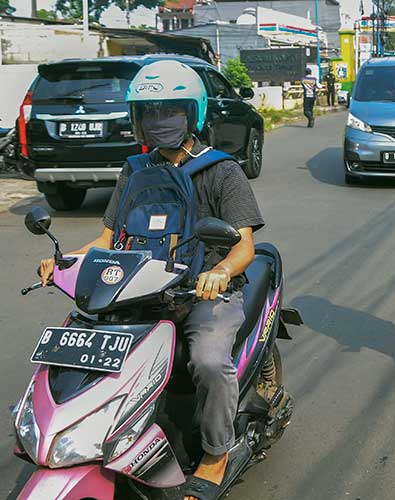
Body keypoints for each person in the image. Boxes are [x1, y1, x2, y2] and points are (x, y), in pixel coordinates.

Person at [36, 60, 264, 500]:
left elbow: (244, 247)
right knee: (89, 356)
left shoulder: (222, 169)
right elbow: (107, 237)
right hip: (136, 289)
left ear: (191, 114)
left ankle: (218, 452)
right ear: (138, 118)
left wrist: (218, 273)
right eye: (150, 112)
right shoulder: (135, 169)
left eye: (170, 111)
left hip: (200, 292)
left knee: (210, 361)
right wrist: (64, 261)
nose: (160, 121)